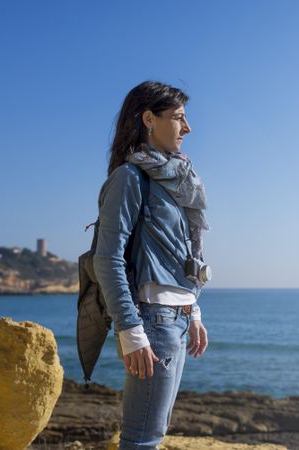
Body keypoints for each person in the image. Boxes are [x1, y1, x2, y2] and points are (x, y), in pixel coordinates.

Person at [93, 80, 210, 449]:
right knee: (142, 439)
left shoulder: (175, 182)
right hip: (152, 321)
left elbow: (178, 253)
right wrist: (130, 330)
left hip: (174, 318)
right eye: (178, 118)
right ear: (148, 118)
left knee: (152, 436)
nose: (187, 127)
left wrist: (192, 312)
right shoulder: (130, 178)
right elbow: (107, 258)